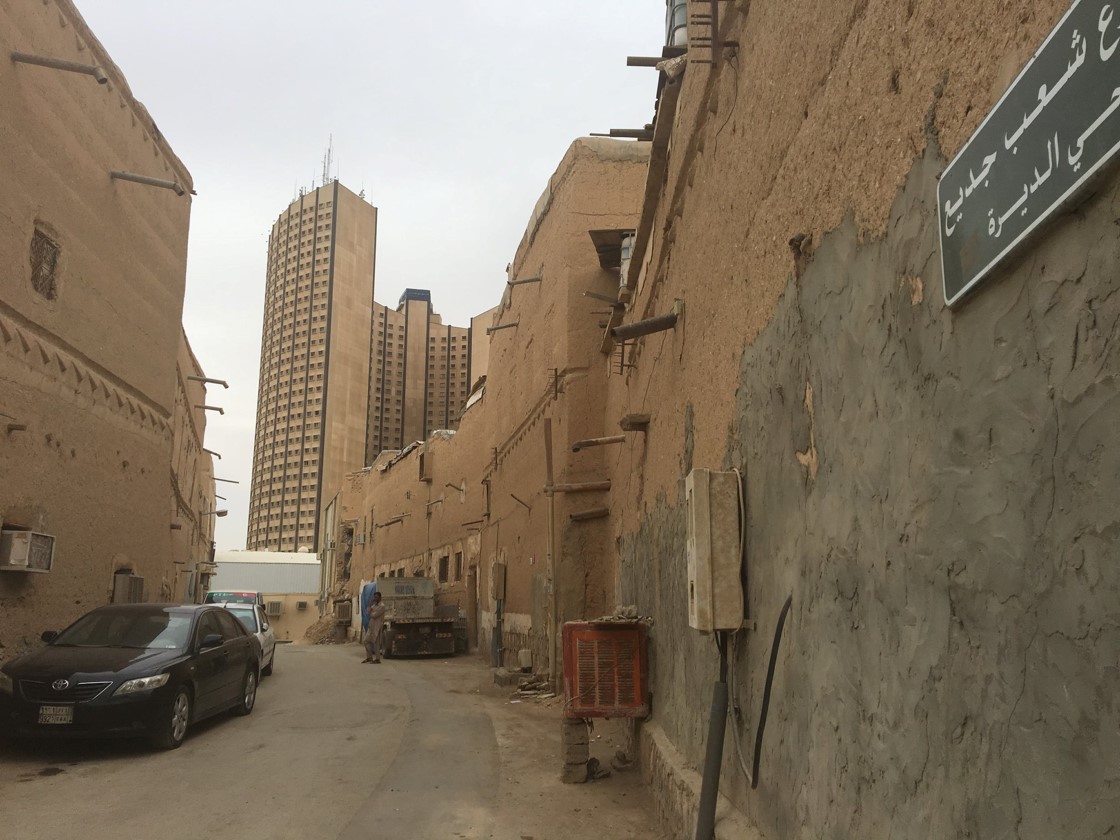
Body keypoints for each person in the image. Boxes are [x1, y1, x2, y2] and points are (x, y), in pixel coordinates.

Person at [362, 591, 386, 663]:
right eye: (374, 597)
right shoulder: (374, 605)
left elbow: (374, 615)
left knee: (376, 643)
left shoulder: (382, 606)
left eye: (376, 597)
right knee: (366, 641)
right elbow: (368, 612)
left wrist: (371, 612)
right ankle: (369, 657)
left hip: (377, 627)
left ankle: (377, 659)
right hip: (371, 626)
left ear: (380, 598)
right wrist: (370, 605)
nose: (375, 598)